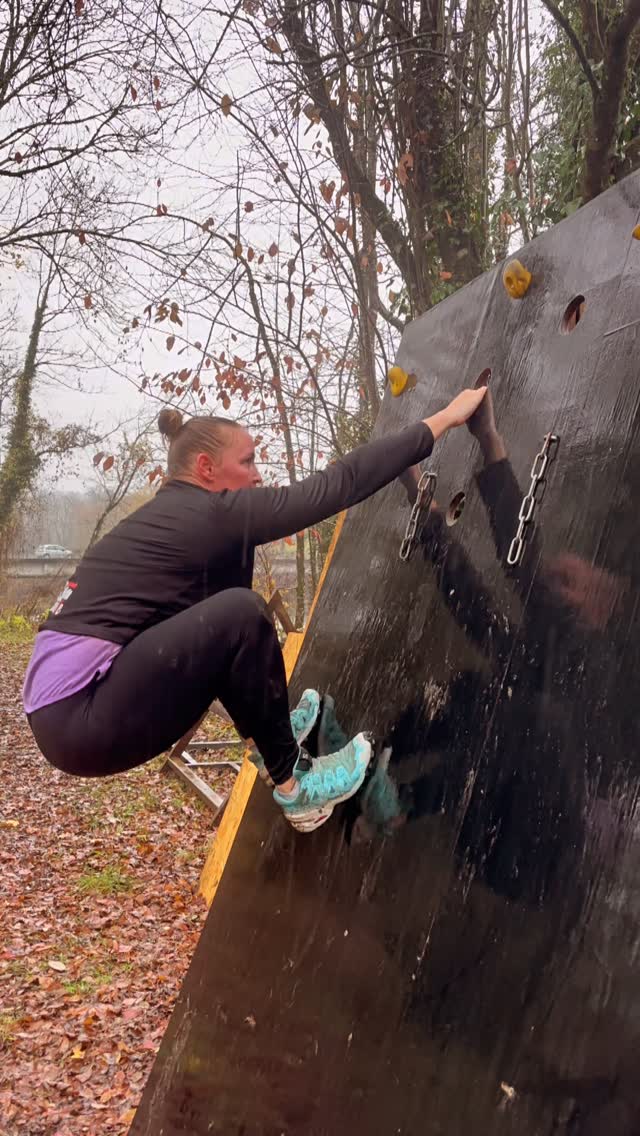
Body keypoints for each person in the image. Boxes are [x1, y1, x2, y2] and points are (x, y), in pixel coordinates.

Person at [23, 386, 486, 832]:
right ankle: (295, 786)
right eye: (246, 462)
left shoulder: (180, 519)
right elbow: (336, 485)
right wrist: (444, 418)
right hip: (80, 712)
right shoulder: (204, 516)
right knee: (240, 613)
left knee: (229, 593)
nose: (257, 475)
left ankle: (272, 735)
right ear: (205, 467)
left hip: (74, 709)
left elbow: (201, 641)